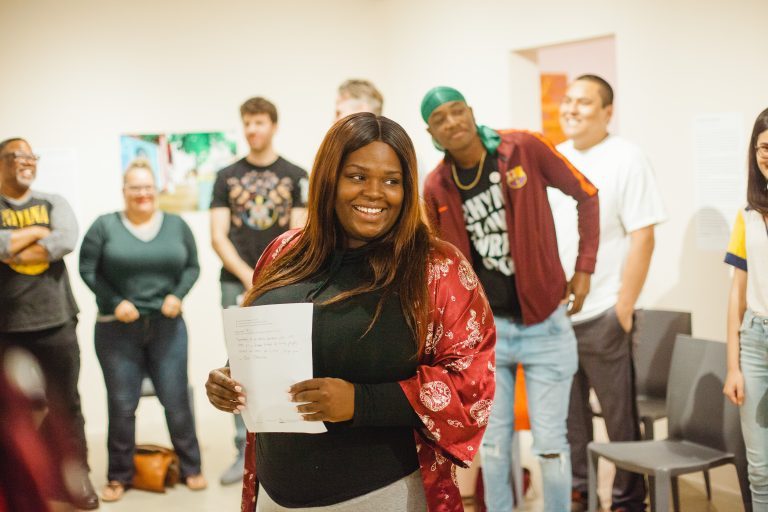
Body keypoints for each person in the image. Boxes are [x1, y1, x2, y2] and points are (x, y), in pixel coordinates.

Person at [206, 112, 496, 511]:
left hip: (380, 494)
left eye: (392, 181)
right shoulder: (283, 252)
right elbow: (265, 342)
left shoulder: (436, 268)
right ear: (329, 179)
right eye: (357, 176)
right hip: (274, 493)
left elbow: (470, 385)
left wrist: (362, 402)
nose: (375, 192)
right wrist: (230, 377)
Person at [421, 86, 600, 512]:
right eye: (440, 119)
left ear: (471, 112)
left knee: (551, 444)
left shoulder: (523, 148)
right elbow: (439, 263)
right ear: (431, 133)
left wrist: (584, 268)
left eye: (457, 111)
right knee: (495, 446)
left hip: (546, 325)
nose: (452, 122)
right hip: (489, 336)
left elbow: (587, 194)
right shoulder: (436, 186)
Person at [549, 75, 666, 512]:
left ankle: (628, 500)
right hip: (558, 317)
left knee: (619, 420)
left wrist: (623, 306)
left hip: (604, 313)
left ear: (607, 112)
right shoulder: (555, 157)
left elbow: (643, 236)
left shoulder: (626, 157)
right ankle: (580, 494)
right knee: (570, 419)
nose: (571, 109)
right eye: (568, 100)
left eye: (583, 102)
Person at [79, 159, 206, 502]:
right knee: (122, 405)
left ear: (156, 189)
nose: (142, 193)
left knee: (176, 400)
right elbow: (88, 269)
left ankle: (191, 467)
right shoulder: (104, 226)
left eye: (147, 186)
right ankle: (118, 476)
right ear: (124, 191)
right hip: (117, 331)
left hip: (168, 328)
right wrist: (114, 301)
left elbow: (192, 266)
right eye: (135, 187)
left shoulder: (177, 225)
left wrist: (178, 295)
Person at [210, 96, 309, 485]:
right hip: (235, 282)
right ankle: (243, 450)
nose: (253, 129)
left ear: (273, 126)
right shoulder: (225, 176)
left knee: (287, 359)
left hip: (284, 281)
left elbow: (298, 234)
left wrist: (269, 280)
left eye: (260, 122)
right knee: (237, 366)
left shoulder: (296, 174)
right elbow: (218, 236)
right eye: (247, 123)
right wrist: (250, 278)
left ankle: (285, 441)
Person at [0, 137, 99, 510]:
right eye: (18, 156)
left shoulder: (54, 202)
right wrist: (38, 233)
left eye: (32, 156)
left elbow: (66, 239)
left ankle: (76, 482)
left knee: (66, 405)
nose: (27, 162)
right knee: (9, 414)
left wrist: (12, 247)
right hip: (6, 327)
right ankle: (17, 488)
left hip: (56, 322)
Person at [724, 107, 768, 509]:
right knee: (760, 470)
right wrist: (733, 367)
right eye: (763, 147)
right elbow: (737, 292)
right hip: (755, 340)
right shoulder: (747, 214)